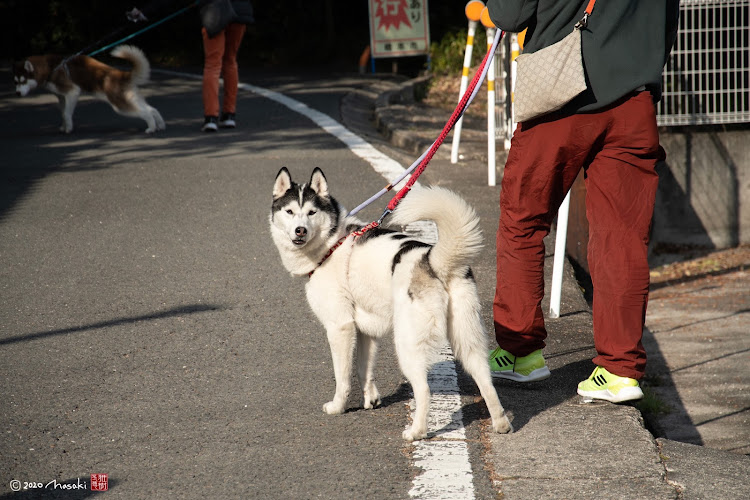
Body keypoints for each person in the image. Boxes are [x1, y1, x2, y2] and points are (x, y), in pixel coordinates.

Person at [485, 0, 680, 402]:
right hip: (634, 97)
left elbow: (508, 14)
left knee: (524, 217)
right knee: (623, 237)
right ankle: (619, 370)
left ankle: (521, 353)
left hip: (563, 95)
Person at [199, 0, 255, 131]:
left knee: (212, 64)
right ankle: (229, 115)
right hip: (240, 10)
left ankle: (211, 117)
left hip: (215, 11)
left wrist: (146, 11)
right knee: (230, 60)